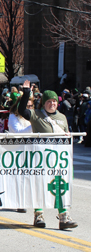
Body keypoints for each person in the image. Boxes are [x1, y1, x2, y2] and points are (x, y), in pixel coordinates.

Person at [18, 80, 77, 230]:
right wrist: (26, 94)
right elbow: (21, 111)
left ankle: (63, 216)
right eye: (49, 102)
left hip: (58, 159)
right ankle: (39, 215)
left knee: (59, 186)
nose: (52, 104)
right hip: (40, 158)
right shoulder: (36, 115)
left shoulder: (62, 118)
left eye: (54, 102)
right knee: (40, 186)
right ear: (43, 103)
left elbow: (66, 134)